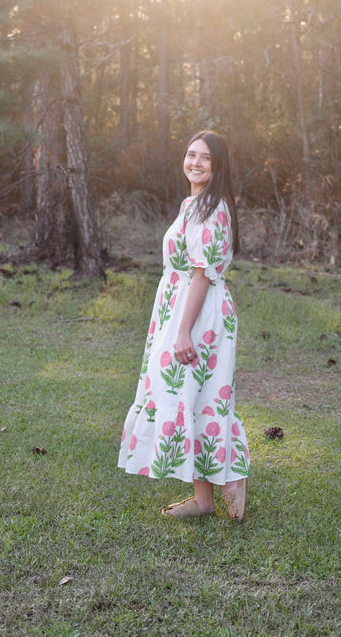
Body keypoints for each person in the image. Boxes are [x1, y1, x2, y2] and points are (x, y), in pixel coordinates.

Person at [118, 130, 250, 521]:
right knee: (192, 394)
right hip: (180, 307)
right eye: (191, 154)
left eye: (205, 158)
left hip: (198, 312)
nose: (195, 162)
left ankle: (230, 479)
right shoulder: (194, 203)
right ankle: (205, 499)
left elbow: (202, 274)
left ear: (218, 165)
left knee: (192, 392)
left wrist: (182, 331)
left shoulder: (213, 209)